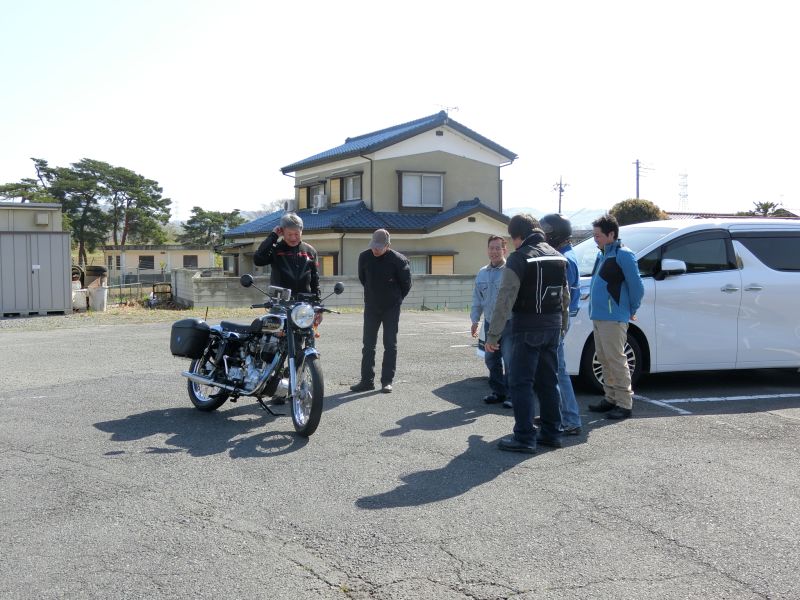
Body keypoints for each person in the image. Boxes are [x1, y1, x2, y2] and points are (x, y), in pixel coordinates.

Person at [485, 214, 569, 454]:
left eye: (512, 239)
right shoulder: (557, 256)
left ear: (517, 236)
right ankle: (552, 433)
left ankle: (524, 437)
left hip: (527, 327)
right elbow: (565, 294)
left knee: (520, 382)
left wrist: (493, 335)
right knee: (548, 381)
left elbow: (505, 298)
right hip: (552, 326)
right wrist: (562, 326)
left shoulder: (520, 257)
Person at [587, 213, 645, 420]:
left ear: (611, 234)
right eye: (594, 235)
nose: (595, 239)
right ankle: (610, 398)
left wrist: (631, 309)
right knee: (604, 358)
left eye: (598, 235)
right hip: (599, 315)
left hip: (613, 316)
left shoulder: (624, 254)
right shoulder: (602, 254)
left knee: (616, 359)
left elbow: (637, 287)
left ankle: (624, 403)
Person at [350, 229, 412, 394]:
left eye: (379, 246)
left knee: (390, 344)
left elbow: (406, 284)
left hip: (391, 307)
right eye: (373, 245)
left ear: (387, 245)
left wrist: (395, 299)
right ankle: (366, 381)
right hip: (371, 306)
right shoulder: (364, 257)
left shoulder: (399, 260)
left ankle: (387, 381)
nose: (375, 249)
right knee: (368, 345)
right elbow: (363, 279)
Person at [540, 214, 582, 435]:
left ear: (556, 234)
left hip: (560, 318)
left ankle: (571, 419)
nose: (544, 237)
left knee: (558, 369)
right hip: (563, 317)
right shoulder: (566, 254)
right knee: (552, 368)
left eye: (547, 232)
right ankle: (554, 413)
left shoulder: (564, 259)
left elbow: (561, 296)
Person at [470, 235, 513, 407]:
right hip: (489, 322)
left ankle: (512, 395)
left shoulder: (510, 271)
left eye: (497, 248)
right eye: (491, 248)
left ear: (504, 250)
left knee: (510, 360)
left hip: (508, 323)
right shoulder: (482, 273)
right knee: (490, 358)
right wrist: (475, 320)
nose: (494, 251)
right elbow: (477, 299)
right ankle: (499, 392)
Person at [253, 212, 320, 297]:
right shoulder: (275, 249)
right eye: (289, 234)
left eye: (296, 234)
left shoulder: (310, 251)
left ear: (301, 231)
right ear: (282, 232)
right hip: (279, 300)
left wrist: (317, 299)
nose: (293, 238)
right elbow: (258, 260)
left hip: (305, 301)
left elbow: (315, 278)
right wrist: (273, 236)